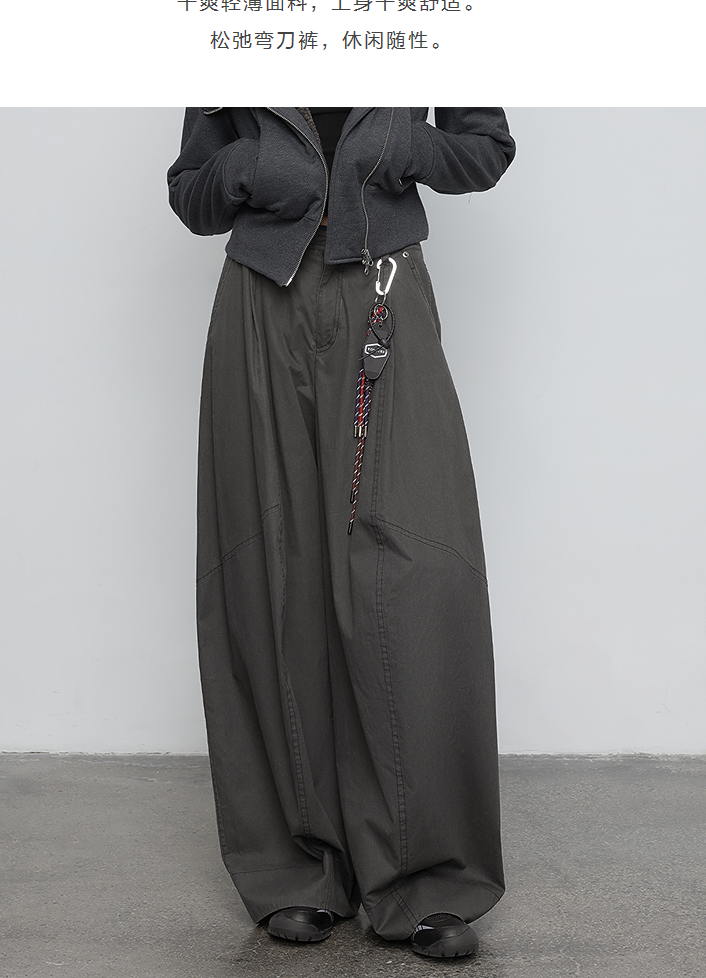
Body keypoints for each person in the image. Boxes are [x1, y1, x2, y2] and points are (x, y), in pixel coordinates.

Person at [167, 107, 516, 959]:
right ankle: (297, 867)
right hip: (262, 299)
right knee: (272, 568)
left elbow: (486, 149)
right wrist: (249, 164)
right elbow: (191, 193)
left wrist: (404, 147)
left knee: (411, 572)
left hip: (384, 289)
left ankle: (426, 876)